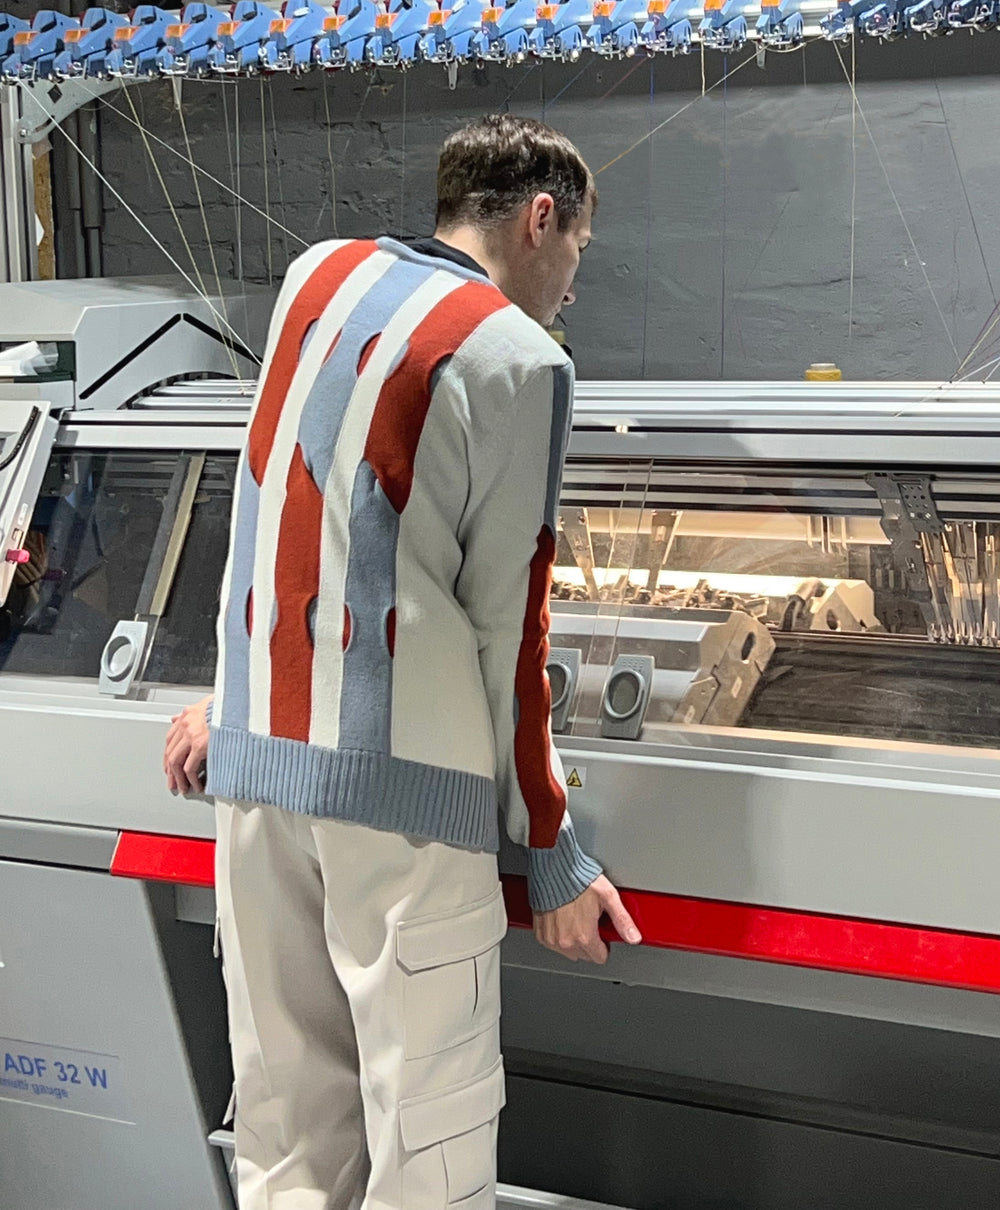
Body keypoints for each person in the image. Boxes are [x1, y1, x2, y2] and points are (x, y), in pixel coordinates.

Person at [164, 113, 641, 1210]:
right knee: (428, 1148)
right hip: (406, 811)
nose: (573, 281)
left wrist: (228, 706)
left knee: (284, 1135)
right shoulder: (520, 358)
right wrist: (552, 849)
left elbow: (274, 506)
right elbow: (511, 625)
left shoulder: (315, 278)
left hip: (257, 780)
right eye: (578, 248)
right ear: (540, 219)